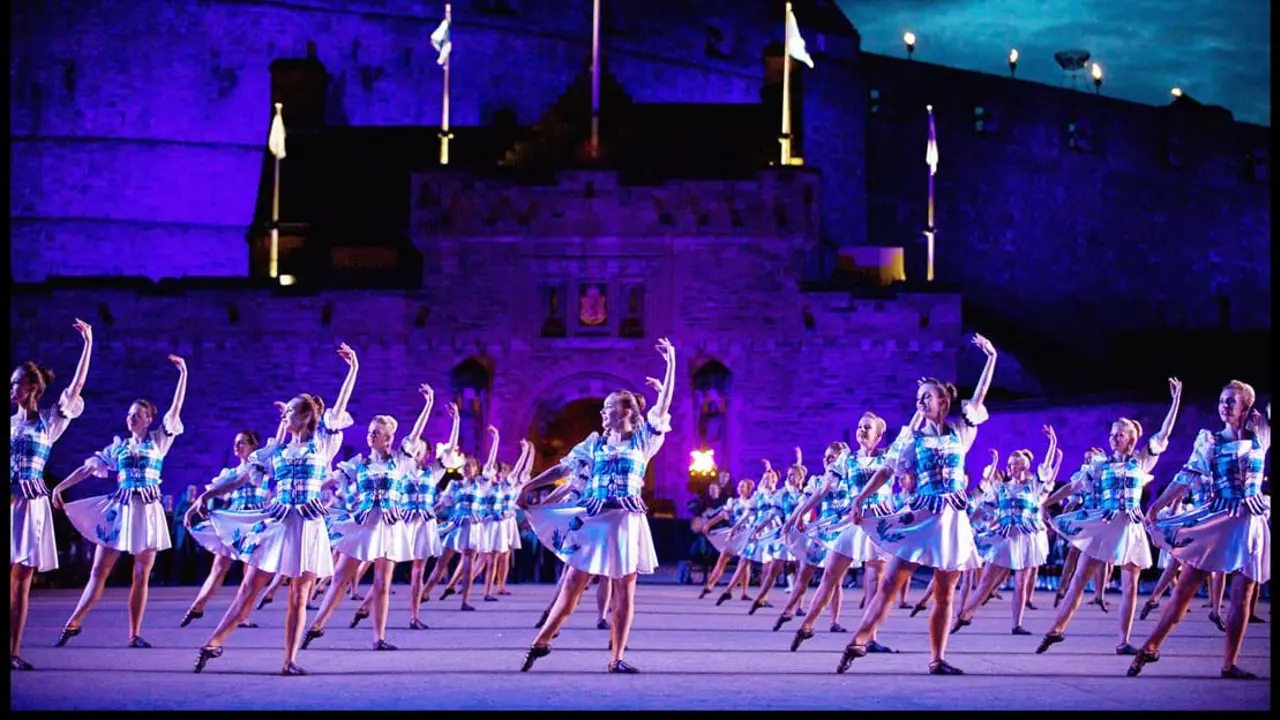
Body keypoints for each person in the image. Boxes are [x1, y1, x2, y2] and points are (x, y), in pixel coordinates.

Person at [185, 343, 358, 676]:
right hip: (278, 523)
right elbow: (240, 477)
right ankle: (214, 642)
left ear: (307, 417)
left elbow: (341, 406)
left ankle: (289, 660)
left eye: (290, 412)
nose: (284, 416)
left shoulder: (322, 444)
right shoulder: (275, 451)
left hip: (307, 526)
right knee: (250, 586)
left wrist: (353, 369)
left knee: (298, 594)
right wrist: (205, 496)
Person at [835, 333, 999, 676]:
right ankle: (859, 640)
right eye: (918, 398)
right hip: (921, 514)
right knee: (891, 581)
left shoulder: (961, 431)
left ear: (943, 402)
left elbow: (980, 396)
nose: (920, 402)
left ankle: (937, 659)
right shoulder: (912, 439)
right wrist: (862, 497)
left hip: (953, 519)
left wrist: (991, 359)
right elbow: (887, 469)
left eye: (927, 397)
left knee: (945, 591)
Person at [519, 337, 676, 673]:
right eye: (603, 408)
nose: (602, 412)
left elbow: (662, 408)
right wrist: (530, 484)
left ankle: (616, 657)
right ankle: (542, 641)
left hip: (626, 522)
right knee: (573, 584)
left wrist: (671, 362)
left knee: (625, 590)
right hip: (594, 521)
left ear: (627, 411)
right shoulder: (594, 443)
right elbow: (564, 467)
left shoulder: (643, 441)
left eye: (608, 407)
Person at [1128, 386, 1268, 679]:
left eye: (1231, 401)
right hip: (1219, 523)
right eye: (1221, 401)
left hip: (1251, 523)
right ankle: (1150, 646)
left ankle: (1229, 664)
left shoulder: (1261, 436)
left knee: (1242, 596)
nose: (1224, 406)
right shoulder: (1210, 441)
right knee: (1184, 589)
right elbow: (1186, 476)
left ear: (1247, 406)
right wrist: (1157, 505)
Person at [52, 354, 189, 649]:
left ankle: (134, 633)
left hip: (148, 511)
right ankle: (73, 622)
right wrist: (61, 486)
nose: (131, 418)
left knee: (141, 575)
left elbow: (176, 408)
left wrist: (183, 374)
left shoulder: (159, 441)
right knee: (99, 571)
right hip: (121, 510)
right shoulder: (119, 447)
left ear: (148, 419)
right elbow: (88, 467)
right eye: (129, 415)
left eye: (137, 415)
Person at [1038, 378, 1183, 656]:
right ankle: (1056, 629)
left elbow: (1163, 435)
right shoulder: (1100, 464)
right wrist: (1048, 501)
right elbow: (1074, 485)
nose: (1113, 438)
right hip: (1103, 525)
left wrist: (1175, 401)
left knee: (1130, 584)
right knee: (1080, 577)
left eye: (1119, 434)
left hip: (1129, 527)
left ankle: (1123, 641)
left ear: (1131, 439)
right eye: (1112, 434)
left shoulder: (1141, 461)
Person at [10, 318, 93, 671]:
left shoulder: (48, 423)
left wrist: (88, 344)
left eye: (16, 383)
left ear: (31, 387)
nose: (11, 388)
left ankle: (13, 652)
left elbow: (75, 388)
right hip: (12, 498)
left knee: (21, 581)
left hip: (31, 507)